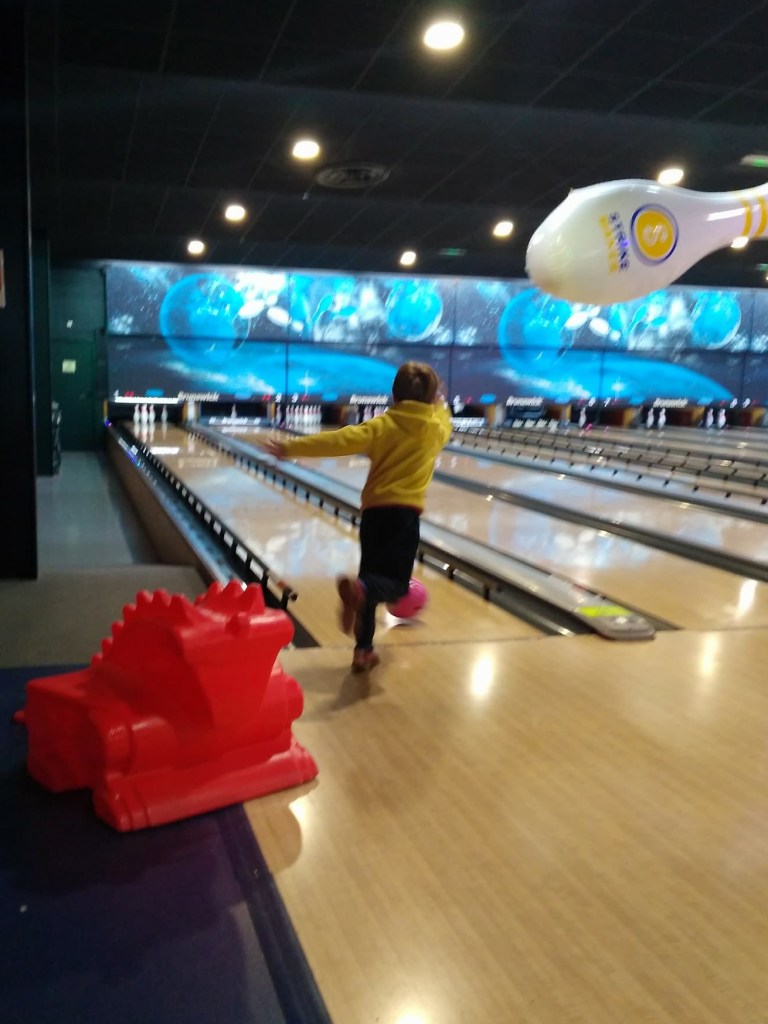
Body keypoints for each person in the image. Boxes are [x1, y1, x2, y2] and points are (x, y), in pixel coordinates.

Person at [260, 362, 453, 673]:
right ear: (432, 398)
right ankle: (360, 592)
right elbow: (445, 417)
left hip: (373, 514)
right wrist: (440, 404)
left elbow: (338, 441)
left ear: (394, 395)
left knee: (371, 579)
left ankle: (363, 651)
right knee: (394, 586)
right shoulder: (435, 428)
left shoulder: (381, 426)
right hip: (404, 516)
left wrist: (290, 447)